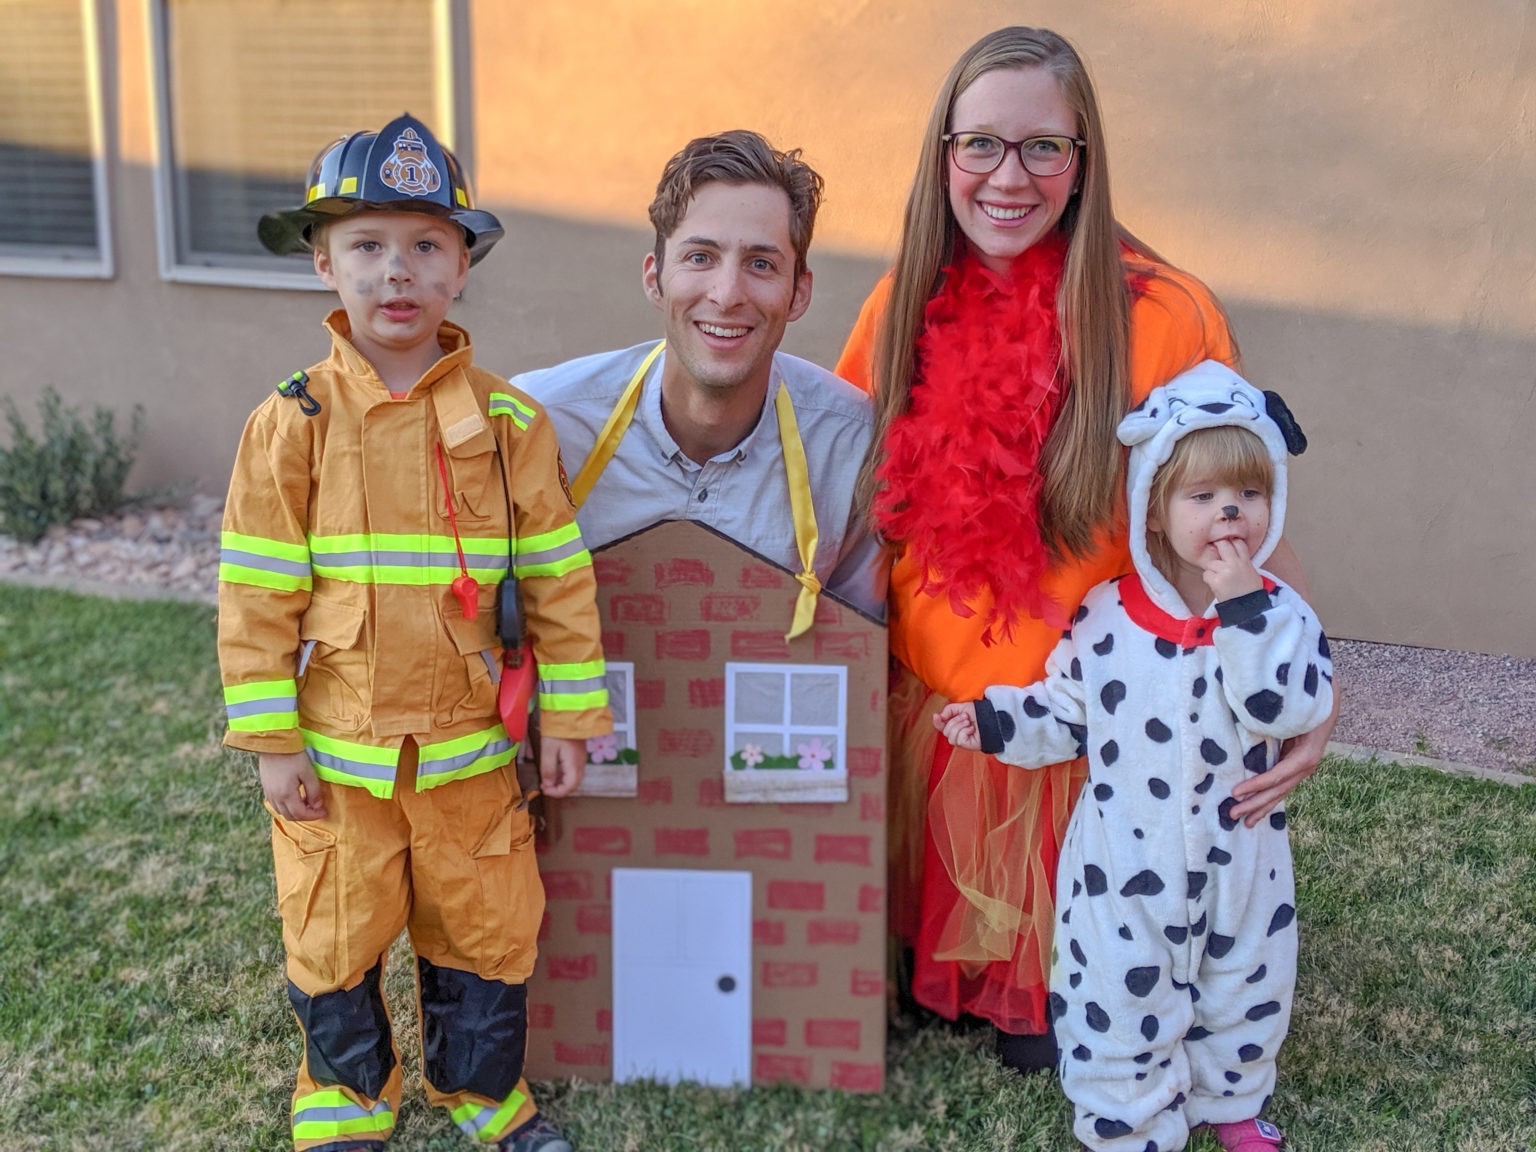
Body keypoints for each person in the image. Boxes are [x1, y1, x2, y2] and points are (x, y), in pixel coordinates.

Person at [835, 27, 1337, 1069]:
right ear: (943, 158)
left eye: (1042, 148)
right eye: (980, 145)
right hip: (938, 723)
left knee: (1060, 1033)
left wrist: (1300, 695)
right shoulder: (899, 305)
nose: (1007, 178)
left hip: (1092, 745)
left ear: (1085, 158)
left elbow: (1226, 524)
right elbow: (842, 508)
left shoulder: (1166, 317)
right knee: (930, 1004)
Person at [221, 114, 610, 1152]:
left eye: (427, 246)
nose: (398, 272)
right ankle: (344, 1099)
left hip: (472, 752)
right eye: (367, 246)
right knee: (334, 930)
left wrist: (568, 715)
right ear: (323, 265)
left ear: (462, 268)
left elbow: (558, 578)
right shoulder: (290, 423)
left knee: (487, 927)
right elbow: (255, 595)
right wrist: (270, 743)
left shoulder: (510, 424)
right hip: (340, 761)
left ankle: (486, 1094)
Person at [937, 362, 1331, 1152]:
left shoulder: (1280, 615)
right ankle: (1128, 1121)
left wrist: (1244, 607)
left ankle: (1232, 1102)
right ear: (1153, 510)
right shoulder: (1108, 616)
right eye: (1204, 496)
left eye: (1250, 496)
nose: (1230, 513)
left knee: (1247, 983)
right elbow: (1066, 709)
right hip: (1124, 862)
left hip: (1242, 859)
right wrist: (997, 722)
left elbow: (1285, 707)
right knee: (1117, 993)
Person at [513, 130, 886, 629]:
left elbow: (858, 657)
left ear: (799, 292)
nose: (727, 293)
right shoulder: (540, 424)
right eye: (700, 257)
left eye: (760, 264)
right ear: (654, 277)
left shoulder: (854, 448)